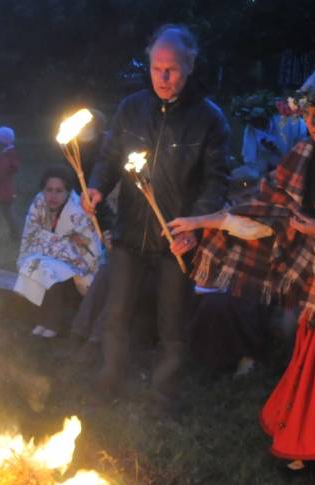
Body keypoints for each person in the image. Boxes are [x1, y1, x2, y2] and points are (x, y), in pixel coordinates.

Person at [171, 65, 315, 469]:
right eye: (306, 112)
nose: (311, 122)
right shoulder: (304, 151)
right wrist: (201, 223)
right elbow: (269, 207)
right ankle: (312, 436)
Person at [86, 24, 229, 411]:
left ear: (190, 65)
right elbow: (109, 157)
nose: (163, 79)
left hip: (176, 238)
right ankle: (109, 380)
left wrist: (196, 225)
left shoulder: (208, 118)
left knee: (172, 322)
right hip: (131, 231)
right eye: (156, 69)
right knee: (116, 313)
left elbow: (217, 179)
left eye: (172, 70)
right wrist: (97, 186)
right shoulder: (132, 108)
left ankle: (164, 395)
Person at [15, 166, 103, 338]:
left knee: (47, 268)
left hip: (81, 269)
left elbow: (86, 251)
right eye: (49, 190)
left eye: (58, 191)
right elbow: (31, 237)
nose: (53, 196)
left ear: (68, 192)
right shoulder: (39, 204)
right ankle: (41, 321)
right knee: (36, 265)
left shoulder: (77, 211)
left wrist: (49, 243)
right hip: (49, 260)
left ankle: (52, 324)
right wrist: (58, 244)